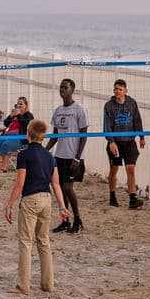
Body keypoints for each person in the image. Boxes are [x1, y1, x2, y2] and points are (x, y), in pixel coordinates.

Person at [4, 120, 69, 296]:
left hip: (30, 200)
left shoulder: (24, 155)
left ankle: (23, 286)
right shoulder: (50, 157)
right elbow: (56, 184)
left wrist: (9, 205)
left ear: (28, 134)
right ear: (43, 135)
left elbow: (19, 183)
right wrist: (62, 206)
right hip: (46, 199)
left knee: (26, 242)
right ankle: (48, 284)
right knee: (43, 241)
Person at [46, 79, 89, 234]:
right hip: (60, 156)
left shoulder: (79, 109)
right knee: (60, 190)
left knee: (67, 187)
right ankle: (65, 221)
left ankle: (78, 220)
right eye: (61, 87)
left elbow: (84, 135)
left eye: (65, 87)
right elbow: (55, 135)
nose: (62, 89)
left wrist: (77, 158)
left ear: (72, 90)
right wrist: (45, 150)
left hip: (73, 157)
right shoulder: (58, 110)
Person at [104, 79, 146, 209]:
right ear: (113, 90)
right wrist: (111, 142)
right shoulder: (109, 105)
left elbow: (137, 120)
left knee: (130, 168)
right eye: (116, 89)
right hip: (115, 142)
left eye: (120, 89)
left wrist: (142, 136)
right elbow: (107, 126)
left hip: (129, 142)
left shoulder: (132, 103)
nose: (117, 91)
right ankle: (112, 196)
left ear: (125, 91)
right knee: (114, 169)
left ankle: (133, 199)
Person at [0, 96, 32, 173]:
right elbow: (5, 123)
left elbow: (25, 124)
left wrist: (18, 115)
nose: (19, 105)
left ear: (26, 105)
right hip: (8, 135)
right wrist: (11, 115)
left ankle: (4, 167)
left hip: (20, 137)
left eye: (21, 104)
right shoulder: (14, 114)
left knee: (6, 145)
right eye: (17, 104)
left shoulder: (28, 115)